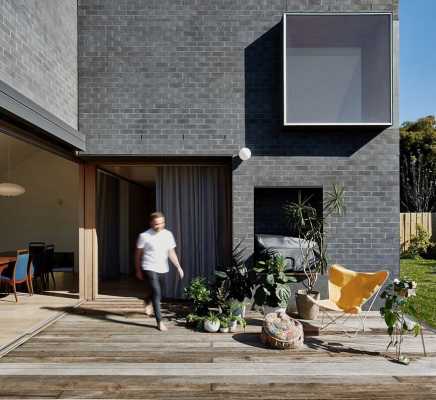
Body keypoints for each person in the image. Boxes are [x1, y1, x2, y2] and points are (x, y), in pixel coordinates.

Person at [135, 211, 184, 331]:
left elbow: (171, 252)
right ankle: (159, 322)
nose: (160, 226)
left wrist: (178, 267)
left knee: (158, 292)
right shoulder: (144, 236)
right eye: (157, 224)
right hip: (149, 266)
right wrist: (138, 270)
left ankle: (147, 300)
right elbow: (137, 255)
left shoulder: (168, 234)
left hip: (163, 267)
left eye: (162, 223)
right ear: (151, 223)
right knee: (157, 293)